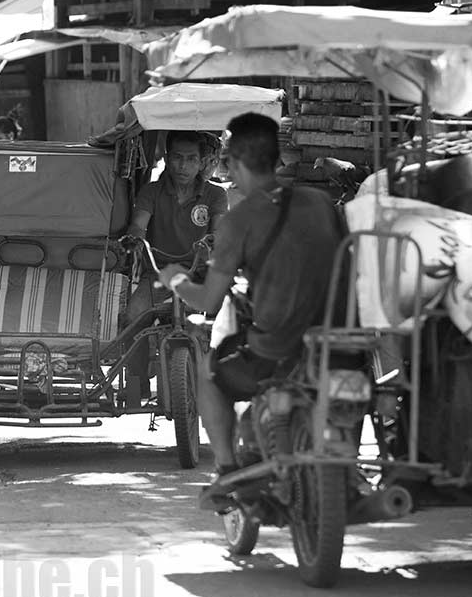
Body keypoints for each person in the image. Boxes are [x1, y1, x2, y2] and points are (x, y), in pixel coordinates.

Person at [158, 113, 344, 505]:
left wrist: (176, 280)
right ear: (277, 160)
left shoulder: (239, 219)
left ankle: (226, 471)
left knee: (209, 374)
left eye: (227, 164)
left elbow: (209, 300)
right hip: (340, 340)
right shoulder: (320, 202)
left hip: (278, 348)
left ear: (236, 164)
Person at [122, 131, 228, 393]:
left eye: (191, 159)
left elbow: (220, 230)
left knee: (216, 320)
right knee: (133, 316)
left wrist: (211, 242)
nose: (183, 165)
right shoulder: (152, 192)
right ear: (167, 159)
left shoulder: (215, 195)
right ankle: (137, 383)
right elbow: (138, 224)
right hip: (158, 275)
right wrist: (135, 238)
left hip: (198, 275)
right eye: (178, 158)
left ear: (202, 162)